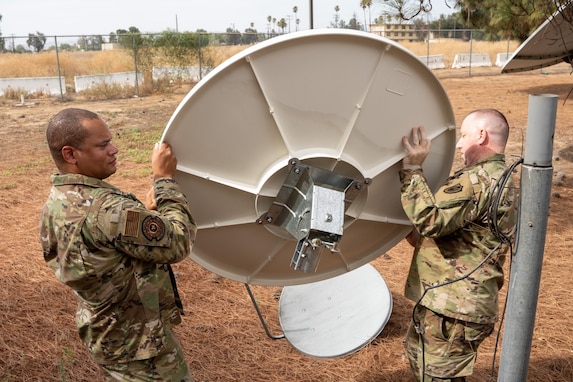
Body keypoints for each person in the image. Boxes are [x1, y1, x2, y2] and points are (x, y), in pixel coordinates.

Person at [39, 108, 197, 381]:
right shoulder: (109, 210)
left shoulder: (57, 201)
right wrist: (164, 180)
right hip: (140, 346)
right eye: (102, 145)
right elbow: (179, 241)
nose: (114, 150)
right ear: (70, 154)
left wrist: (142, 213)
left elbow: (102, 240)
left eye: (110, 141)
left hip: (108, 335)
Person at [398, 108, 518, 382]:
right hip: (451, 303)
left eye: (464, 136)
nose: (460, 144)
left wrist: (412, 169)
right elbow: (454, 235)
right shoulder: (499, 178)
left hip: (453, 307)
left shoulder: (476, 180)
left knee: (437, 377)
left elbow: (431, 221)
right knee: (428, 371)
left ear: (482, 135)